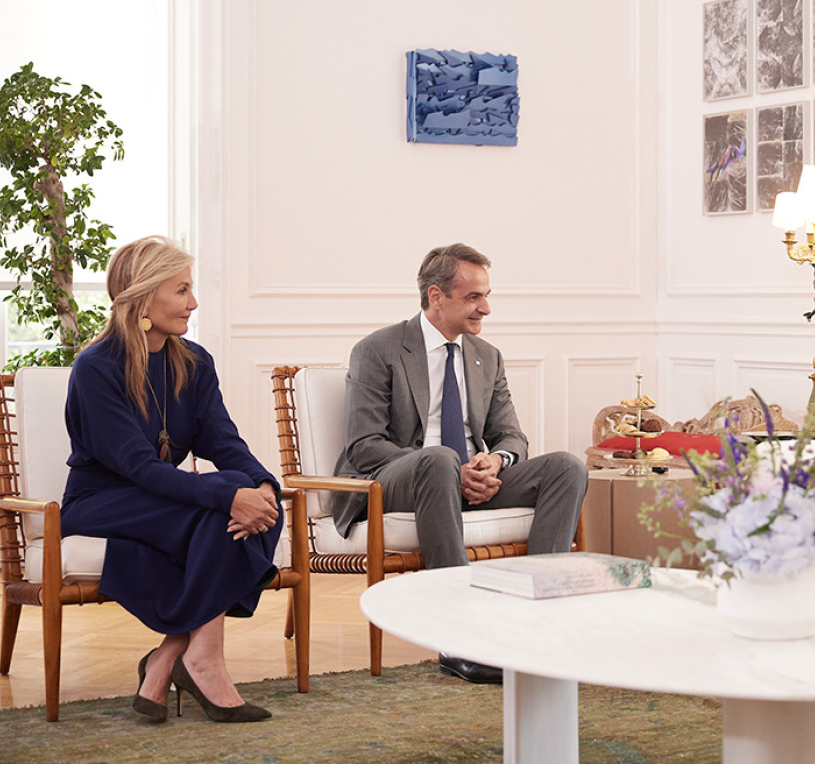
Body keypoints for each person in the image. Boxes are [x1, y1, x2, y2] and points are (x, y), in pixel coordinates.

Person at [331, 243, 586, 684]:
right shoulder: (378, 350)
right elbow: (364, 445)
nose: (485, 308)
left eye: (486, 296)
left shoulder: (486, 355)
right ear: (436, 296)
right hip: (395, 480)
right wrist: (451, 467)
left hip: (466, 479)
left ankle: (536, 622)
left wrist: (495, 462)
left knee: (567, 466)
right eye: (473, 297)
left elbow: (512, 436)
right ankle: (458, 636)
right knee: (439, 459)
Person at [61, 236, 281, 723]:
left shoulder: (193, 361)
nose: (193, 303)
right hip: (102, 502)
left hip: (161, 497)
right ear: (143, 298)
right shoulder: (95, 368)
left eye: (191, 289)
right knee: (221, 509)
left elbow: (224, 443)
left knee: (259, 502)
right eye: (181, 290)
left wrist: (263, 485)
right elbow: (139, 468)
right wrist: (229, 496)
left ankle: (170, 658)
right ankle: (202, 661)